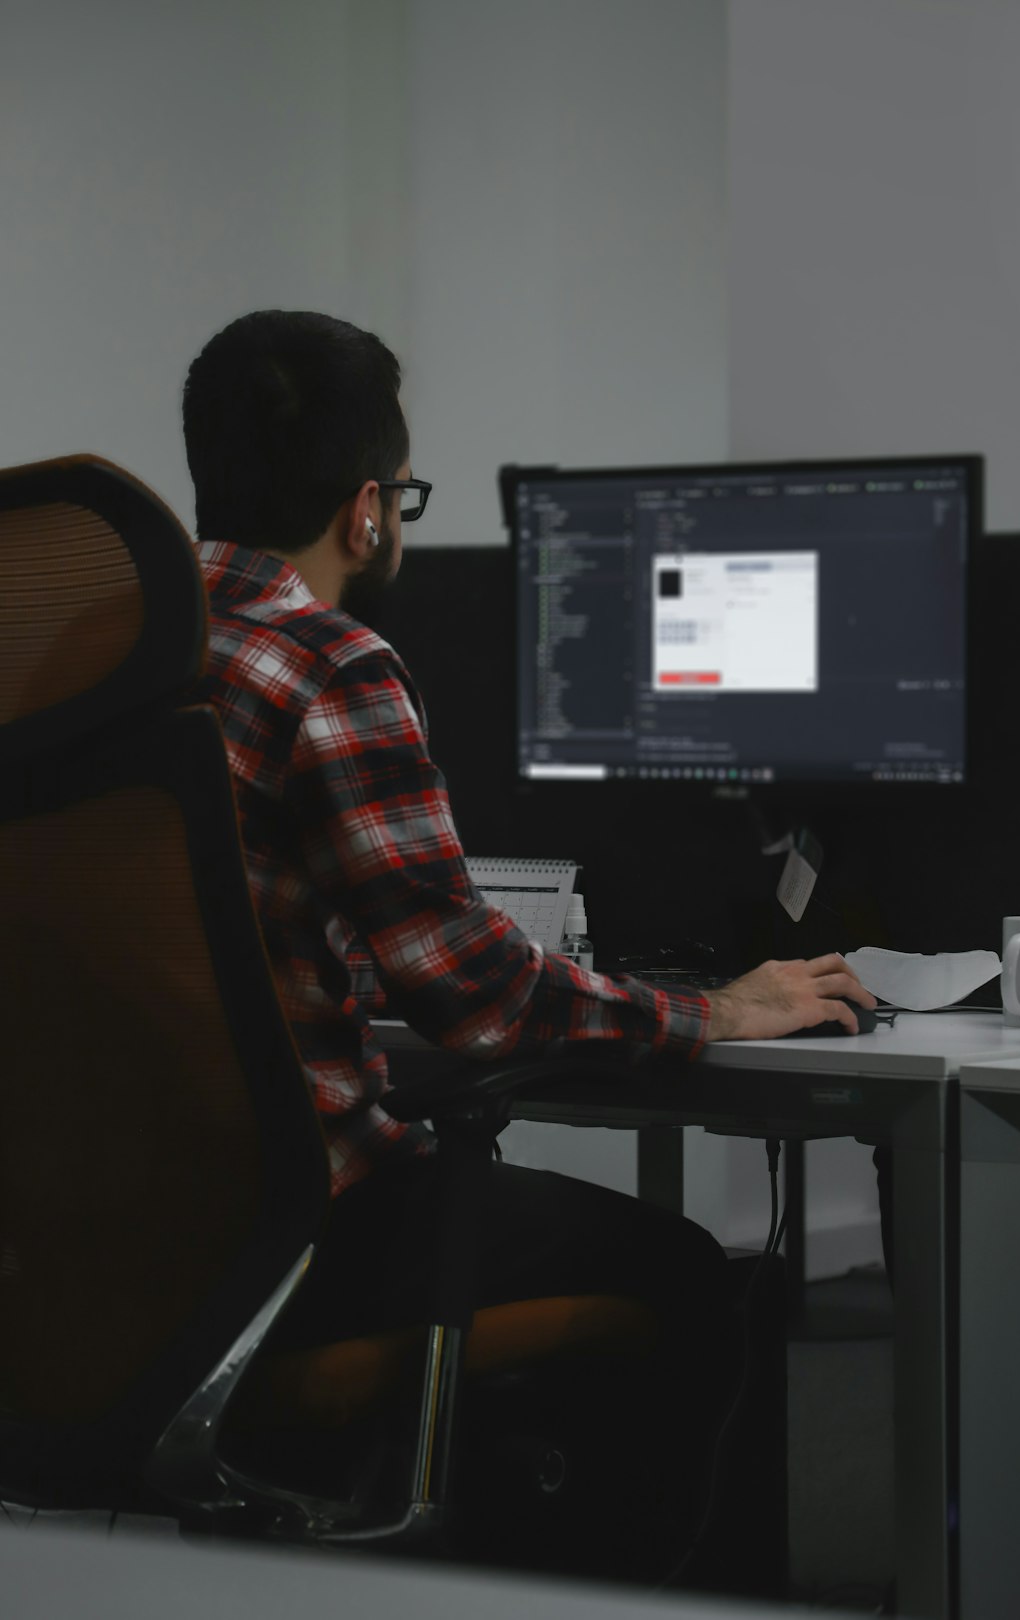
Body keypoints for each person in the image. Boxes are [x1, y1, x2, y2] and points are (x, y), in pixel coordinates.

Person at [182, 309, 876, 1581]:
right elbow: (474, 1001)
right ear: (368, 511)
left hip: (109, 1247)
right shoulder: (327, 664)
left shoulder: (90, 656)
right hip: (300, 1243)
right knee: (684, 1273)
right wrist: (711, 1013)